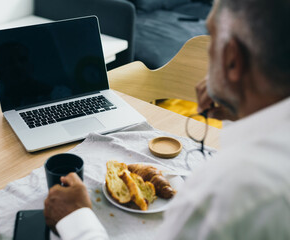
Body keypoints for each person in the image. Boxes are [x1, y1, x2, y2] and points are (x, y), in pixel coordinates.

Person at [44, 0, 290, 238]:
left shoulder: (220, 195)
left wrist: (77, 220)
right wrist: (240, 109)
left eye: (211, 35)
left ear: (233, 61)